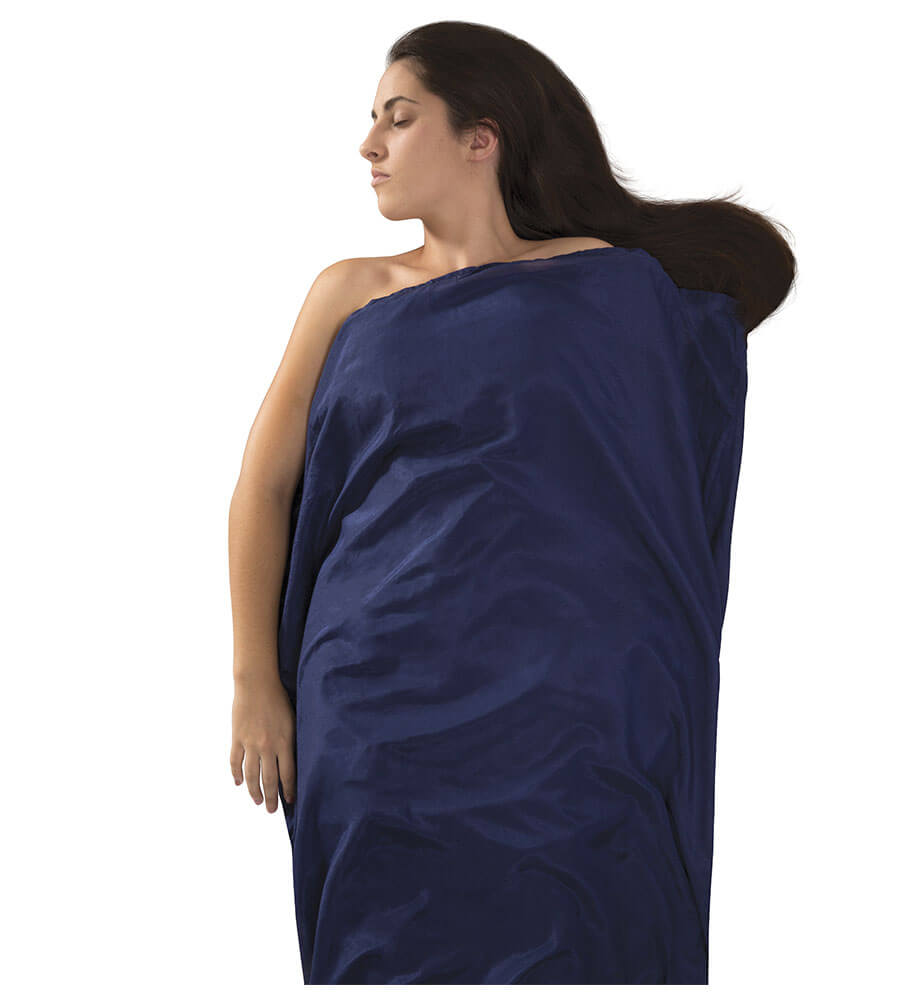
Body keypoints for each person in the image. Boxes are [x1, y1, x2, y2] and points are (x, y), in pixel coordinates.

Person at [228, 21, 794, 985]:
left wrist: (641, 682)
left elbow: (650, 479)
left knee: (586, 936)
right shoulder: (349, 292)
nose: (368, 144)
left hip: (567, 713)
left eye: (398, 119)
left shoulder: (610, 285)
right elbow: (264, 488)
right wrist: (255, 683)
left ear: (480, 137)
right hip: (372, 700)